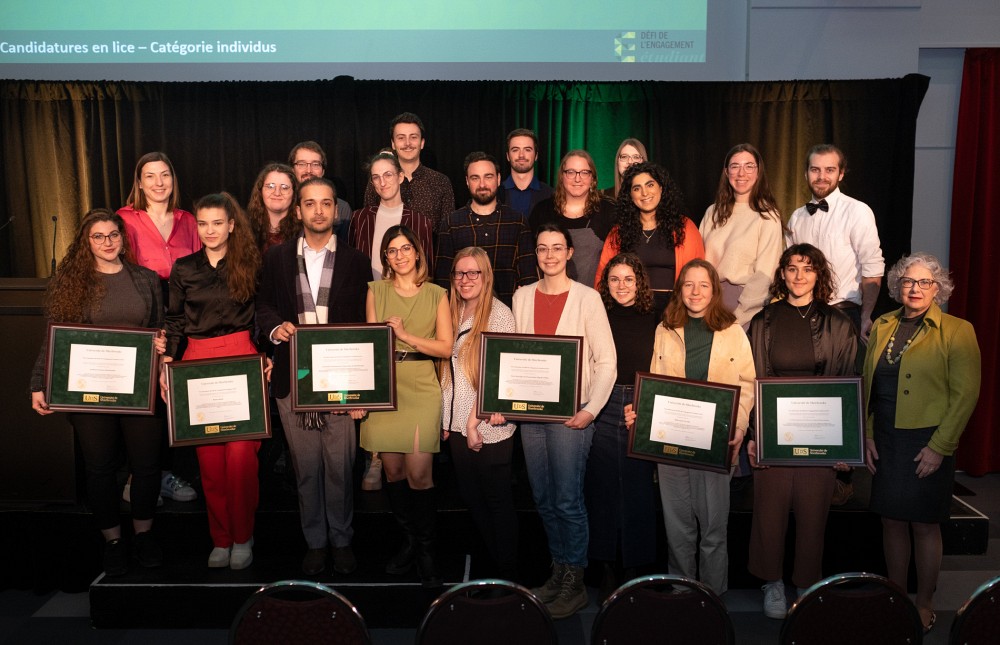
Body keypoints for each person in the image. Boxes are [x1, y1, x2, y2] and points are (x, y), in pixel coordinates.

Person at [30, 209, 167, 577]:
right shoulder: (72, 282)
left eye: (113, 235)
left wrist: (163, 343)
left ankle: (143, 535)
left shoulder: (147, 279)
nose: (108, 242)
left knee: (147, 465)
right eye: (98, 237)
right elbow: (53, 335)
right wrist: (38, 382)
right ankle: (113, 541)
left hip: (140, 389)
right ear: (86, 243)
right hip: (88, 393)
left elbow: (159, 327)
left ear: (123, 238)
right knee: (100, 468)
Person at [256, 177, 371, 576]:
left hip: (341, 381)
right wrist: (275, 329)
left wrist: (362, 395)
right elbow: (264, 306)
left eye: (326, 203)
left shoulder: (357, 262)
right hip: (293, 377)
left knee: (340, 467)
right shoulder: (277, 258)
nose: (319, 210)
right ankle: (315, 542)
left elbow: (364, 326)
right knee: (305, 469)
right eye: (310, 203)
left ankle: (341, 540)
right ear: (299, 210)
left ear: (336, 212)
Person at [864, 252, 981, 633]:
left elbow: (965, 395)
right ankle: (897, 594)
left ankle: (925, 601)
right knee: (891, 520)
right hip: (886, 436)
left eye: (925, 282)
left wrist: (940, 447)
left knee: (924, 525)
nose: (915, 288)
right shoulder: (882, 324)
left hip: (927, 440)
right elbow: (869, 387)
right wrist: (865, 435)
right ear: (898, 287)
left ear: (938, 289)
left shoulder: (958, 330)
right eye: (908, 282)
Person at [627, 259, 755, 596]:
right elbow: (653, 382)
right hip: (671, 442)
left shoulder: (733, 330)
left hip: (715, 442)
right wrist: (642, 415)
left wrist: (738, 427)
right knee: (678, 526)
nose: (695, 292)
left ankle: (712, 598)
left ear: (714, 291)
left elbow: (747, 383)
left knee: (713, 528)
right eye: (688, 285)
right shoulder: (665, 328)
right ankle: (683, 594)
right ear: (679, 289)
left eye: (703, 285)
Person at [746, 244, 859, 619]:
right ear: (782, 274)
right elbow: (753, 381)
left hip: (820, 435)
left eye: (807, 269)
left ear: (818, 275)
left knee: (813, 513)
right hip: (774, 433)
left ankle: (806, 583)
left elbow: (847, 383)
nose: (798, 276)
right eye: (792, 268)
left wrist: (845, 444)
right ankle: (773, 582)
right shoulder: (763, 321)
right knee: (769, 511)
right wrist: (754, 436)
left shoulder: (840, 323)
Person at [512, 222, 616, 619]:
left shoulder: (587, 299)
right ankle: (558, 572)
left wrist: (590, 409)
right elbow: (516, 355)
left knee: (568, 499)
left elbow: (606, 361)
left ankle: (574, 582)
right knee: (542, 497)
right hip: (531, 417)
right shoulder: (522, 296)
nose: (550, 255)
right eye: (543, 249)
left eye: (558, 248)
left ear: (570, 253)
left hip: (572, 416)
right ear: (535, 255)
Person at [162, 192, 262, 570]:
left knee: (241, 460)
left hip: (241, 357)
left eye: (217, 223)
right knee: (210, 464)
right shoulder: (184, 268)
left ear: (232, 225)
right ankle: (220, 539)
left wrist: (266, 357)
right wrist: (167, 366)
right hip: (196, 362)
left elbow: (262, 317)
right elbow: (174, 322)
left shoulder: (251, 264)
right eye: (202, 223)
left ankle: (243, 535)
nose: (209, 230)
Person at [360, 225, 453, 587]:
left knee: (419, 474)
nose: (399, 256)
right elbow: (370, 345)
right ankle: (409, 543)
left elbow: (445, 348)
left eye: (405, 249)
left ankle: (428, 551)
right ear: (385, 258)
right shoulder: (375, 291)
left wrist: (404, 335)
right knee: (393, 472)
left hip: (420, 386)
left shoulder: (436, 294)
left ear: (417, 253)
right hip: (387, 386)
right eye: (391, 251)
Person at [117, 151, 199, 504]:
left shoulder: (189, 219)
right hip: (141, 316)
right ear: (139, 182)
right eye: (150, 176)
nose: (158, 182)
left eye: (164, 174)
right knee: (144, 401)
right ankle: (139, 476)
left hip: (183, 317)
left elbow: (200, 270)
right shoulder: (124, 218)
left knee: (175, 400)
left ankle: (168, 474)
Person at [440, 247, 519, 581]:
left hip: (488, 428)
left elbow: (496, 372)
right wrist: (447, 422)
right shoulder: (452, 312)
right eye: (460, 273)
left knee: (497, 503)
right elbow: (448, 370)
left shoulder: (499, 315)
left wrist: (473, 423)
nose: (465, 279)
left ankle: (508, 576)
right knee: (474, 500)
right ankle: (494, 567)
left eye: (473, 273)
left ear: (486, 276)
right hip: (458, 426)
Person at [585, 253, 659, 600]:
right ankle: (605, 566)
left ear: (639, 281)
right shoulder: (597, 314)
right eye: (614, 279)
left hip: (642, 401)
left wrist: (648, 403)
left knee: (638, 486)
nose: (622, 286)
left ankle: (637, 568)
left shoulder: (657, 315)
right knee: (601, 485)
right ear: (606, 283)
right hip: (603, 398)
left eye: (628, 279)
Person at [786, 144, 885, 339]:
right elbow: (788, 267)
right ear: (806, 174)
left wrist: (866, 316)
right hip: (802, 313)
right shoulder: (797, 217)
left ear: (840, 174)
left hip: (844, 314)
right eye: (815, 170)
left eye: (829, 170)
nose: (821, 176)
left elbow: (872, 268)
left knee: (842, 371)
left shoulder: (857, 211)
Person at [596, 162, 704, 315]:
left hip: (673, 310)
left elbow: (698, 273)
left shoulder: (685, 227)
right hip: (629, 311)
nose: (644, 193)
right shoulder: (618, 233)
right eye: (636, 188)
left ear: (661, 188)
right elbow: (603, 275)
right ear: (630, 196)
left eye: (650, 185)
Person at [435, 152, 537, 307]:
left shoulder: (517, 222)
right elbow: (443, 281)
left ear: (498, 178)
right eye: (475, 178)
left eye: (488, 177)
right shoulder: (451, 223)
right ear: (467, 181)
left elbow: (529, 280)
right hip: (463, 315)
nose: (482, 184)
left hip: (509, 313)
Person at [699, 143, 784, 328]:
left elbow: (765, 275)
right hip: (707, 302)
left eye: (749, 166)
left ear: (758, 171)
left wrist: (739, 316)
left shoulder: (767, 216)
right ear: (726, 172)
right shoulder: (712, 212)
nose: (741, 173)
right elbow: (699, 263)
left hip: (743, 305)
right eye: (735, 166)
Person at [528, 150, 616, 286]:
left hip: (597, 299)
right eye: (571, 172)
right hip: (552, 297)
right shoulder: (542, 211)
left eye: (584, 172)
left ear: (592, 178)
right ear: (562, 176)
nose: (577, 178)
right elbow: (529, 257)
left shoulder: (608, 211)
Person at [350, 150, 435, 280]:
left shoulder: (420, 222)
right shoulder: (359, 218)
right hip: (366, 296)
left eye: (388, 175)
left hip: (408, 298)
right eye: (376, 177)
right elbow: (351, 264)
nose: (382, 183)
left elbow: (426, 271)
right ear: (372, 183)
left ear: (400, 177)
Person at [363, 112, 455, 228]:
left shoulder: (441, 182)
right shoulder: (379, 181)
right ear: (393, 144)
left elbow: (447, 233)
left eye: (413, 137)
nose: (407, 143)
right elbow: (367, 225)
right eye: (401, 138)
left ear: (422, 143)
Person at [288, 141, 353, 242]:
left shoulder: (342, 209)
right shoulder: (283, 205)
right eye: (302, 164)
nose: (308, 170)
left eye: (315, 164)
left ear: (323, 171)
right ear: (292, 169)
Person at [497, 128, 553, 217]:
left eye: (527, 149)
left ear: (536, 156)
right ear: (508, 156)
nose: (521, 155)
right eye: (515, 150)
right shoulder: (496, 193)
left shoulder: (550, 195)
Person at [246, 163, 299, 253]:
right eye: (270, 187)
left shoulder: (304, 232)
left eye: (284, 187)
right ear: (260, 191)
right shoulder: (245, 229)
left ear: (294, 194)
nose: (277, 193)